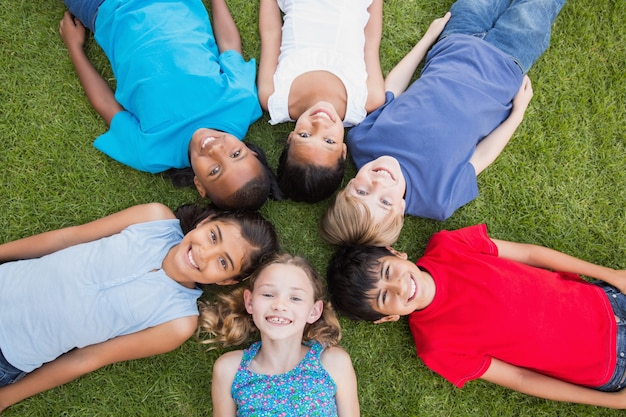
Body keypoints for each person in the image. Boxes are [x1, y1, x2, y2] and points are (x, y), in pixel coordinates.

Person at [321, 0, 565, 246]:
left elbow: (393, 89)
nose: (378, 183)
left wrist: (429, 38)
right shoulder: (438, 200)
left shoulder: (362, 141)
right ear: (401, 209)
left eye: (362, 192)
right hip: (505, 65)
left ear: (349, 185)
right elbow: (480, 157)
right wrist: (517, 114)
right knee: (536, 8)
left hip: (454, 42)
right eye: (385, 201)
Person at [0, 202, 279, 412]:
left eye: (223, 262)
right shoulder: (154, 219)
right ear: (204, 222)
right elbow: (69, 238)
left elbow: (88, 358)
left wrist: (7, 397)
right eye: (213, 236)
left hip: (10, 355)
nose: (204, 253)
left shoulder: (178, 322)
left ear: (228, 280)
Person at [326, 223, 626, 408]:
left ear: (396, 253)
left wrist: (611, 275)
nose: (400, 286)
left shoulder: (448, 246)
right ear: (386, 318)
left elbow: (531, 254)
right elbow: (521, 378)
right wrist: (610, 403)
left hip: (609, 301)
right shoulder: (435, 347)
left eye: (388, 272)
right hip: (609, 363)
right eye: (384, 297)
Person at [58, 0, 281, 210]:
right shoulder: (241, 103)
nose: (215, 150)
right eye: (235, 155)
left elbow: (106, 104)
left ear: (199, 185)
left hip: (105, 9)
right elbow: (229, 45)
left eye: (214, 170)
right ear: (251, 152)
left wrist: (74, 48)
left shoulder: (151, 153)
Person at [257, 0, 385, 202]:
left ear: (290, 138)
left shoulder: (274, 97)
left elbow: (271, 34)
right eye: (329, 141)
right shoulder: (367, 99)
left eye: (305, 135)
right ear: (343, 151)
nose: (320, 124)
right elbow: (371, 42)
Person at [200, 254, 360, 416]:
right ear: (249, 302)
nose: (279, 305)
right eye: (268, 294)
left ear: (314, 311)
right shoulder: (230, 369)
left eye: (295, 298)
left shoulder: (333, 362)